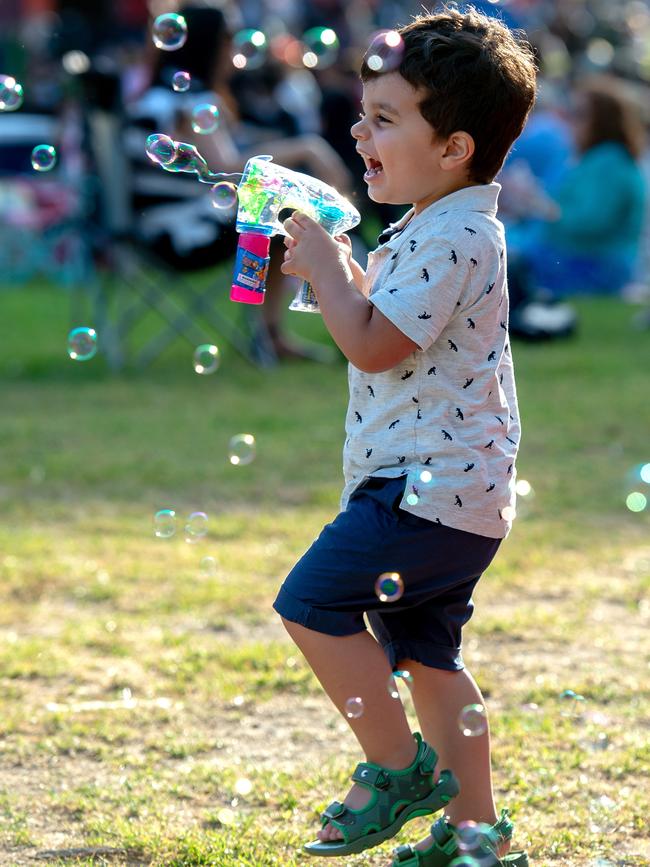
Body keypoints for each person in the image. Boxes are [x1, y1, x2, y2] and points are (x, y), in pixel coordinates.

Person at [273, 8, 536, 867]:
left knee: (311, 602)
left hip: (426, 490)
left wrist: (325, 272)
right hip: (450, 491)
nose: (360, 131)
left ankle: (393, 767)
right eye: (364, 114)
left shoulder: (457, 232)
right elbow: (382, 321)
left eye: (386, 118)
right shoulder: (438, 221)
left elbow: (375, 343)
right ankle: (473, 839)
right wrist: (336, 265)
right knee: (428, 658)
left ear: (455, 145)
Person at [125, 4, 353, 361]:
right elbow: (228, 165)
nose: (235, 54)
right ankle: (276, 335)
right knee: (289, 213)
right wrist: (309, 148)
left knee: (285, 209)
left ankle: (272, 335)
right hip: (179, 233)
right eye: (229, 43)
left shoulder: (158, 96)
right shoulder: (190, 100)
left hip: (148, 226)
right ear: (210, 47)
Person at [506, 74, 646, 301]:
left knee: (498, 260)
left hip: (595, 265)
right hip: (581, 259)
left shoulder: (609, 160)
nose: (569, 122)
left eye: (579, 114)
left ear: (602, 120)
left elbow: (589, 223)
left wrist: (540, 206)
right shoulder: (593, 159)